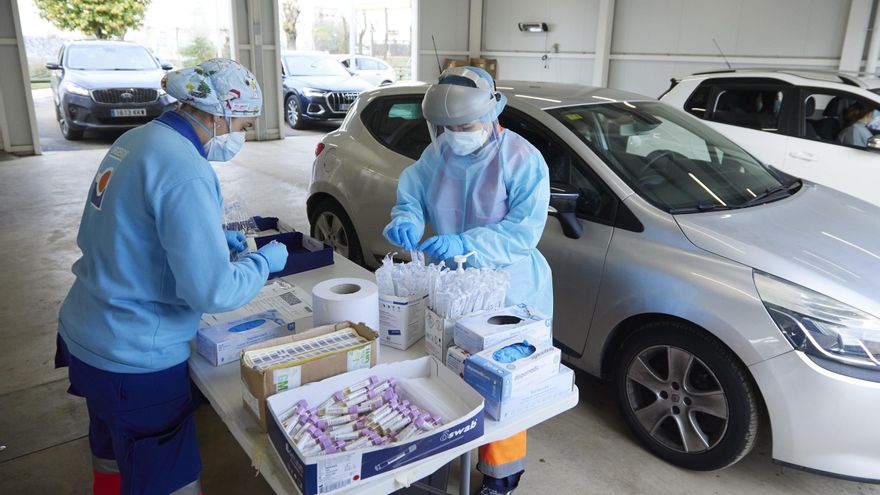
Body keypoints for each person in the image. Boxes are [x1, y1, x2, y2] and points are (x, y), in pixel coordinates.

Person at [54, 58, 289, 495]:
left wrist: (214, 241)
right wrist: (262, 263)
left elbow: (132, 226)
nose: (242, 135)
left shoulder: (138, 139)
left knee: (111, 457)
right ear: (220, 115)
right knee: (167, 479)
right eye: (244, 124)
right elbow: (213, 290)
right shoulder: (186, 169)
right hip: (135, 355)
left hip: (87, 332)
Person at [383, 66, 552, 495]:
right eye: (449, 126)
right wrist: (405, 217)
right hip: (451, 289)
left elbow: (522, 232)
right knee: (442, 380)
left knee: (499, 392)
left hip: (507, 291)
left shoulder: (523, 159)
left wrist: (465, 244)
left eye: (465, 124)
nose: (457, 133)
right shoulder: (439, 152)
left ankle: (500, 479)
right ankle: (435, 463)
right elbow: (413, 192)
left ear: (494, 108)